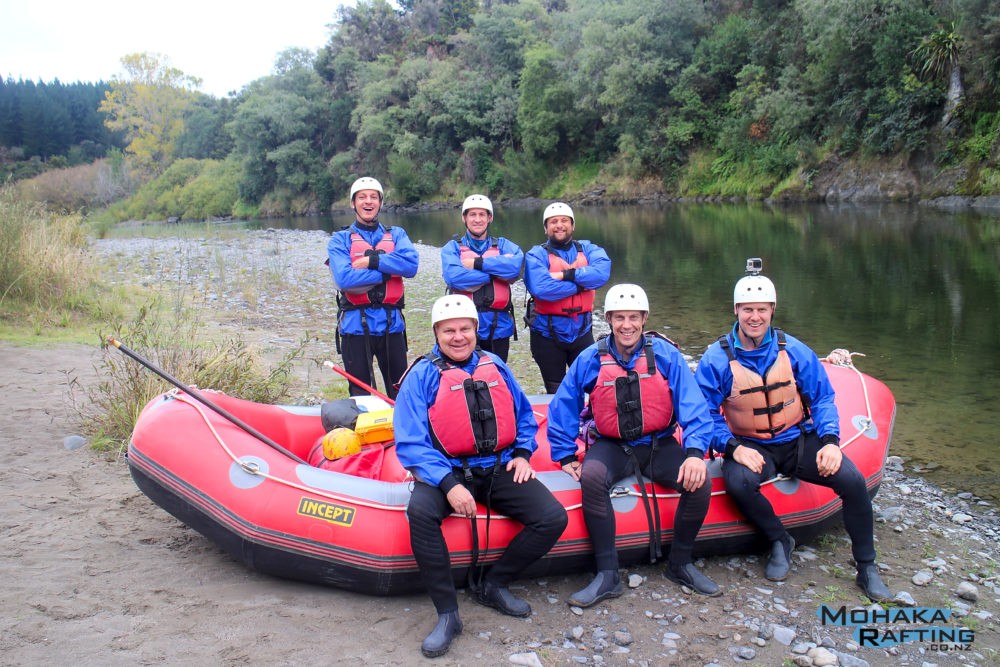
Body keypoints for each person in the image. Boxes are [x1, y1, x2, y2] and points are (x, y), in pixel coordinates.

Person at [694, 259, 893, 602]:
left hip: (797, 441)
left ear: (772, 310)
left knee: (853, 481)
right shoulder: (716, 359)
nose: (754, 317)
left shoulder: (794, 350)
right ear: (736, 310)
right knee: (739, 482)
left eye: (761, 310)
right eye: (747, 310)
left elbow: (824, 398)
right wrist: (731, 448)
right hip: (751, 445)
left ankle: (867, 567)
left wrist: (830, 441)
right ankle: (778, 539)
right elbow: (703, 416)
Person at [394, 294, 568, 658]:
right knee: (421, 514)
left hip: (497, 467)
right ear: (436, 333)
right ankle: (447, 614)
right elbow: (411, 443)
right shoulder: (422, 374)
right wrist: (448, 484)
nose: (458, 337)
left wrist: (522, 454)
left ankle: (494, 583)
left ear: (476, 330)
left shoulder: (496, 366)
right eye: (449, 331)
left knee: (552, 517)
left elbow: (522, 415)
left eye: (465, 329)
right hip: (447, 471)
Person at [547, 284, 722, 606]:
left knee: (700, 483)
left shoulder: (665, 354)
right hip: (612, 445)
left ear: (644, 319)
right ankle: (607, 574)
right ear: (609, 319)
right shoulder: (592, 358)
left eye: (633, 318)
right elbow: (564, 404)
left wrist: (696, 453)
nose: (626, 325)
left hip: (659, 444)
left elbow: (693, 406)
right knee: (593, 477)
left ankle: (680, 564)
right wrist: (564, 454)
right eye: (619, 318)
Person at [326, 177, 418, 400]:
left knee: (399, 390)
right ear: (353, 203)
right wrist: (389, 271)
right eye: (362, 197)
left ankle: (401, 433)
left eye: (373, 197)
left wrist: (371, 262)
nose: (368, 202)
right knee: (360, 395)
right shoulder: (340, 239)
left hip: (391, 325)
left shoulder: (396, 234)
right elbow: (344, 279)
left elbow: (411, 265)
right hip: (355, 326)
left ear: (380, 202)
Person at [523, 202, 611, 393]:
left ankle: (589, 421)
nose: (559, 225)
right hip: (547, 334)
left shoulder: (588, 249)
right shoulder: (536, 255)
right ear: (546, 228)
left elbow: (602, 274)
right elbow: (542, 288)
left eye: (564, 220)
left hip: (581, 331)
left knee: (591, 385)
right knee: (556, 389)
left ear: (573, 225)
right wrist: (583, 285)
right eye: (553, 221)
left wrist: (566, 275)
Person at [440, 194, 524, 362]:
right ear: (464, 218)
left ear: (489, 217)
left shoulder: (503, 244)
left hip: (498, 326)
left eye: (482, 215)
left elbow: (516, 268)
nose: (477, 220)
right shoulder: (452, 248)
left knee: (495, 376)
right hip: (464, 328)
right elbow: (455, 278)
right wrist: (497, 273)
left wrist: (476, 264)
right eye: (472, 214)